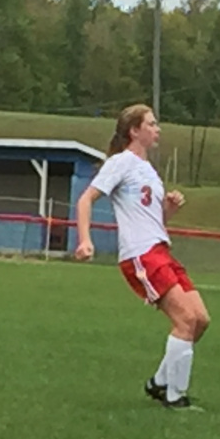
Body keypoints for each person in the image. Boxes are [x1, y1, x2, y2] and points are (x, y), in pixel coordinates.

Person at [75, 103, 209, 409]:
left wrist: (168, 211)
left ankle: (160, 382)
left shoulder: (148, 170)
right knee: (186, 320)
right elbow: (86, 199)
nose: (157, 128)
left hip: (160, 249)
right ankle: (175, 398)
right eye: (151, 124)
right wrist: (85, 240)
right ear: (134, 131)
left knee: (201, 319)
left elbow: (152, 220)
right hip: (142, 254)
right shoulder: (121, 162)